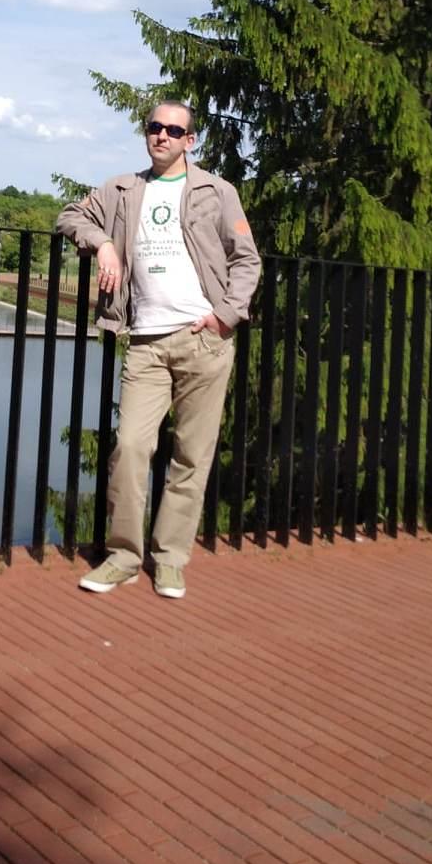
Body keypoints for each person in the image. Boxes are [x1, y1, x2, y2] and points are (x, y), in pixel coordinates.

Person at [56, 101, 261, 598]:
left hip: (204, 340)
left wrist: (226, 315)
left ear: (190, 140)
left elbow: (246, 259)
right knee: (130, 447)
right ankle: (124, 557)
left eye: (173, 130)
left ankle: (169, 559)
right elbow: (69, 216)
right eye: (154, 127)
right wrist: (103, 244)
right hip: (146, 342)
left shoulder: (218, 191)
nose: (162, 136)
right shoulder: (121, 190)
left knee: (191, 455)